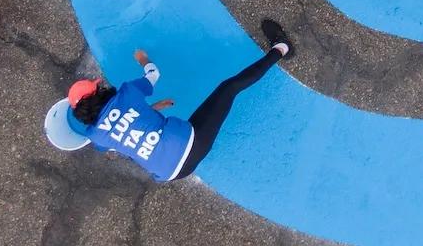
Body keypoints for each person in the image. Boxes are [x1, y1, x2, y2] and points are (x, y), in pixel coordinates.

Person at [43, 19, 294, 182]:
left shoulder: (97, 138)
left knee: (217, 100)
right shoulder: (128, 93)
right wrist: (142, 58)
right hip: (188, 142)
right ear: (97, 92)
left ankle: (279, 50)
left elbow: (125, 137)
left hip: (172, 173)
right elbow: (154, 74)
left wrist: (152, 110)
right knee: (229, 88)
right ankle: (281, 48)